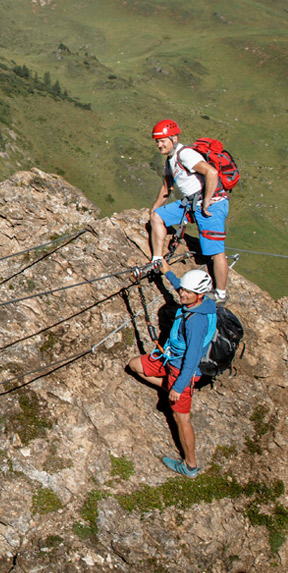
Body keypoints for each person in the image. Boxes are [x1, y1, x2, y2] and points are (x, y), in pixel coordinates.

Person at [126, 266, 218, 478]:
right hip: (169, 361)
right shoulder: (201, 302)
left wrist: (178, 387)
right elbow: (179, 287)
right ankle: (171, 388)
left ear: (199, 294)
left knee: (181, 418)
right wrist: (167, 272)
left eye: (187, 292)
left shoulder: (196, 321)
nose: (182, 294)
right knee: (135, 365)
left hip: (181, 370)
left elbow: (192, 358)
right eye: (183, 290)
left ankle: (190, 466)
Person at [147, 119, 229, 305]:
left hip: (212, 204)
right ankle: (157, 259)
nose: (159, 144)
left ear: (174, 138)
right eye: (157, 141)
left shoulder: (186, 155)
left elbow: (212, 173)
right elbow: (166, 188)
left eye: (162, 140)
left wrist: (207, 201)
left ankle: (221, 294)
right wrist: (154, 210)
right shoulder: (171, 160)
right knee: (157, 217)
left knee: (215, 252)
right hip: (192, 204)